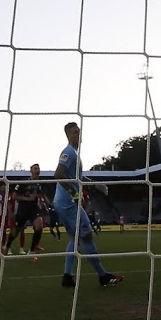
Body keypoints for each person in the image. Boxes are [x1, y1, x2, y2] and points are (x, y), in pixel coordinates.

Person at [54, 121, 123, 288]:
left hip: (62, 203)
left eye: (78, 132)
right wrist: (75, 194)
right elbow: (59, 174)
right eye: (74, 133)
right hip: (68, 204)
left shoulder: (74, 154)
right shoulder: (69, 152)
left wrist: (95, 184)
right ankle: (103, 276)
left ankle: (67, 277)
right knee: (87, 236)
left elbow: (76, 177)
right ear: (68, 136)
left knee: (76, 238)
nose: (78, 135)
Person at [3, 163, 46, 255]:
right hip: (23, 210)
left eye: (38, 168)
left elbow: (37, 195)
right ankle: (7, 246)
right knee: (15, 232)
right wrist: (27, 198)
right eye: (35, 168)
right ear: (31, 170)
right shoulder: (23, 183)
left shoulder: (38, 184)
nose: (37, 170)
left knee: (39, 226)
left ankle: (32, 250)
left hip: (34, 210)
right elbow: (14, 197)